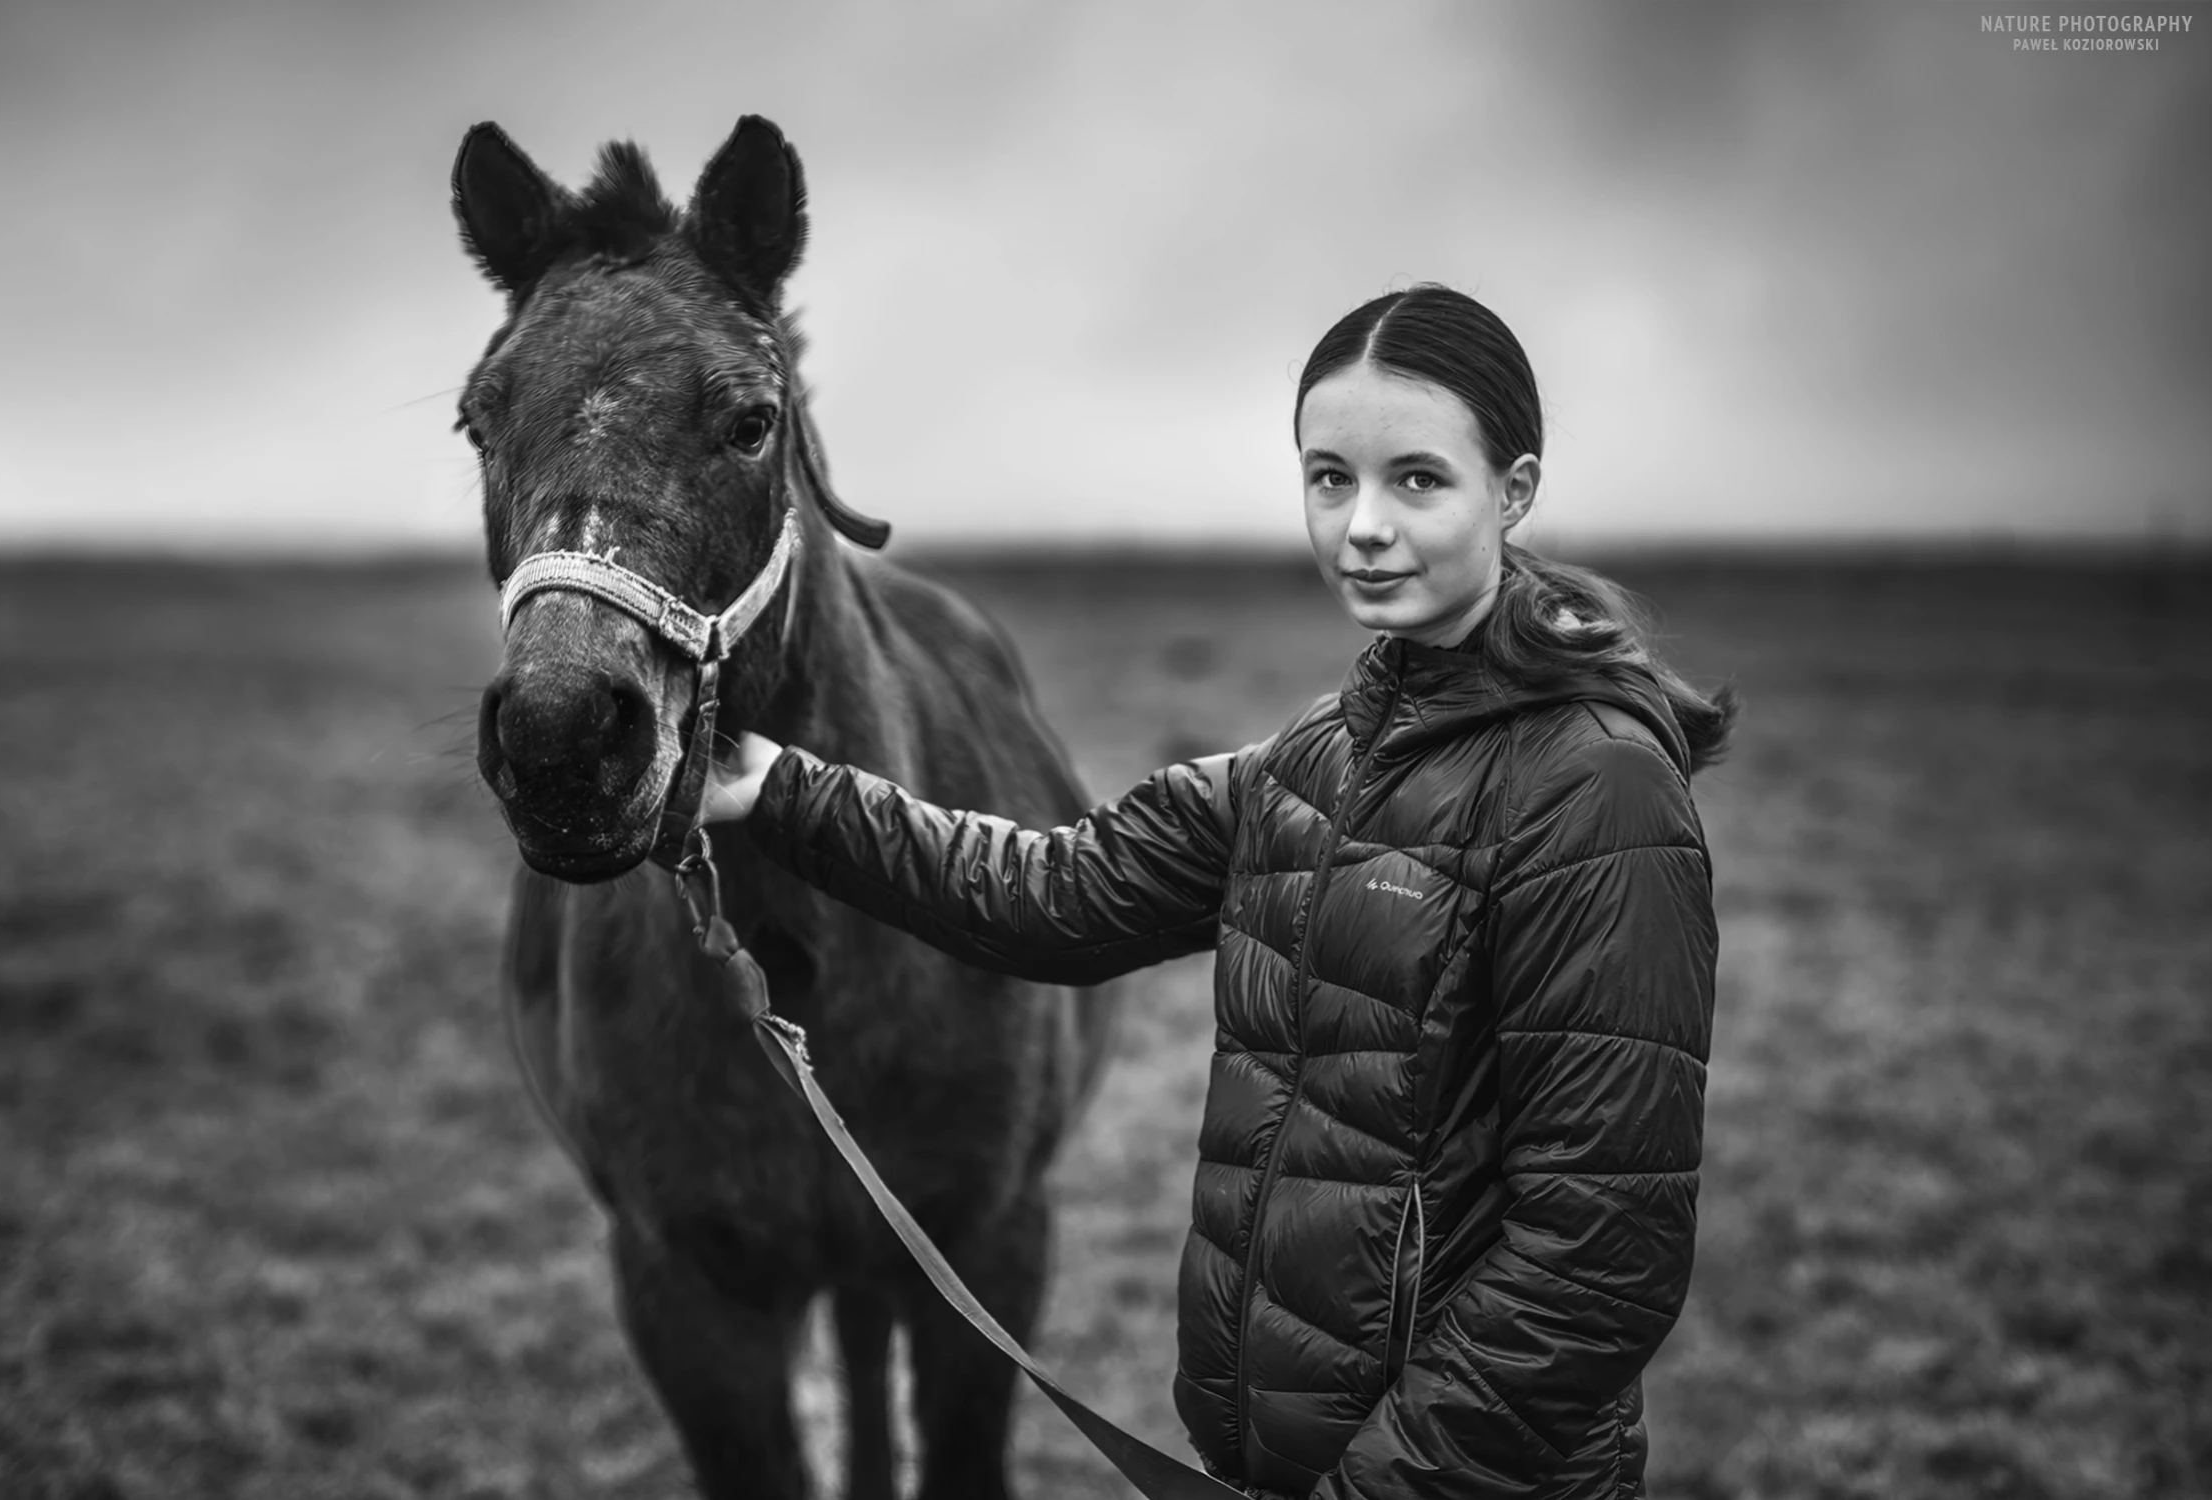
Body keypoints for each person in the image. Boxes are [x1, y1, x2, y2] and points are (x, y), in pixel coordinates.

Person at [700, 284, 1733, 1499]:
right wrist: (786, 793)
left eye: (1417, 480)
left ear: (1512, 491)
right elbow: (1057, 892)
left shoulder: (1597, 790)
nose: (1361, 527)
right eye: (1328, 478)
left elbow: (1598, 1261)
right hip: (1272, 1461)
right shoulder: (1317, 759)